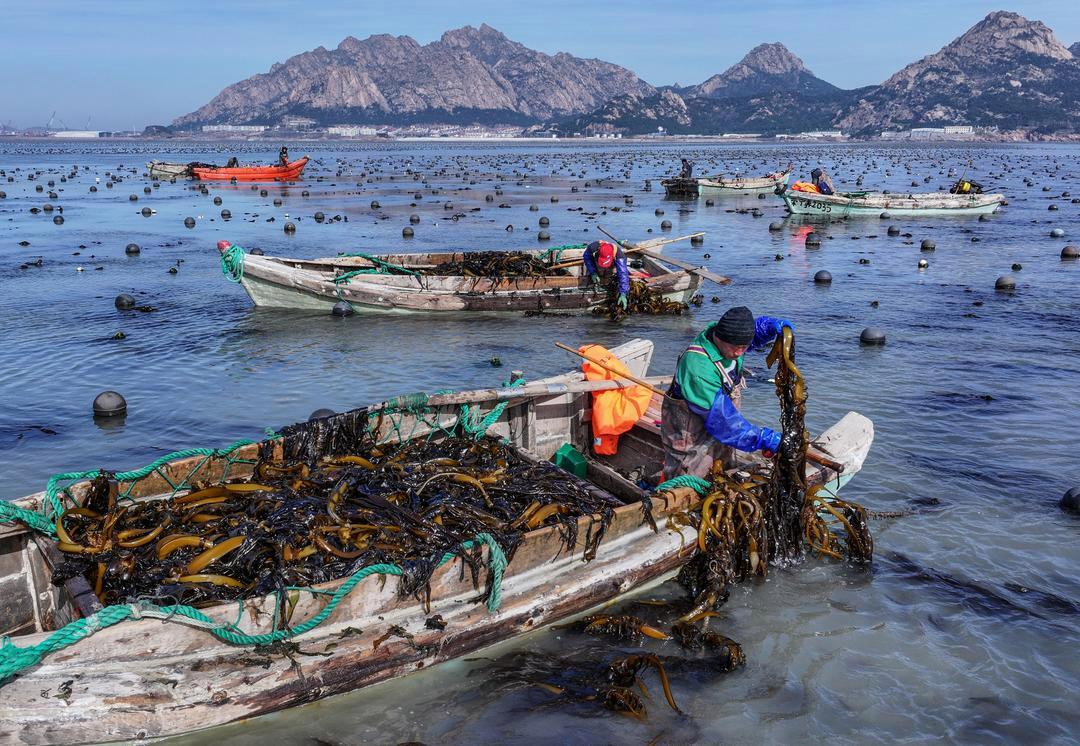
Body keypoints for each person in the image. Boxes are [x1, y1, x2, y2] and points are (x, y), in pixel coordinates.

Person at [662, 306, 793, 479]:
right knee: (687, 478)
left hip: (721, 430)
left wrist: (768, 327)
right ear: (719, 338)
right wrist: (762, 438)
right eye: (735, 347)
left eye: (744, 347)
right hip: (692, 437)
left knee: (722, 469)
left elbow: (749, 335)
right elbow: (724, 423)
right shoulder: (698, 368)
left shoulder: (730, 342)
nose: (739, 353)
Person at [583, 240, 629, 311]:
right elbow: (587, 257)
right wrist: (593, 272)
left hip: (612, 265)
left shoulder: (619, 255)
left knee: (611, 274)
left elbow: (623, 274)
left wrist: (623, 293)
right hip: (597, 262)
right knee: (592, 272)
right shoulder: (593, 247)